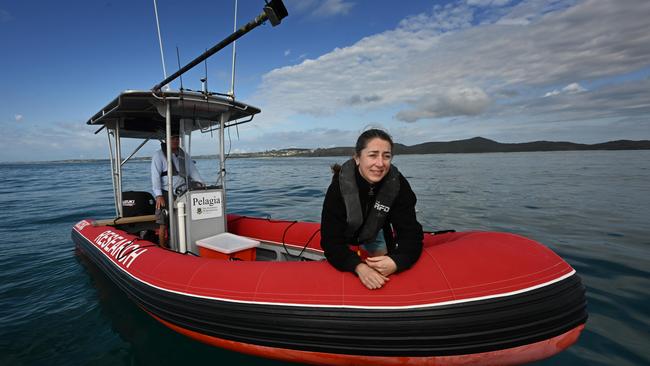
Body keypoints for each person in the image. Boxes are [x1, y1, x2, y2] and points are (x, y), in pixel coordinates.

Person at [320, 129, 423, 290]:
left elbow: (411, 234)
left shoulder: (397, 185)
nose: (380, 163)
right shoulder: (338, 188)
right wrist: (358, 267)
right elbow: (331, 241)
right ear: (357, 158)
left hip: (376, 232)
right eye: (373, 155)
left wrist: (396, 261)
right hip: (346, 234)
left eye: (386, 156)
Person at [151, 133, 204, 248]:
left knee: (184, 219)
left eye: (177, 138)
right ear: (167, 139)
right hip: (165, 192)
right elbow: (155, 176)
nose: (175, 140)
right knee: (163, 223)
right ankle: (163, 248)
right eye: (172, 138)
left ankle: (183, 245)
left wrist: (202, 185)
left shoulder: (184, 155)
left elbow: (194, 172)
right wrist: (158, 195)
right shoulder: (158, 155)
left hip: (183, 192)